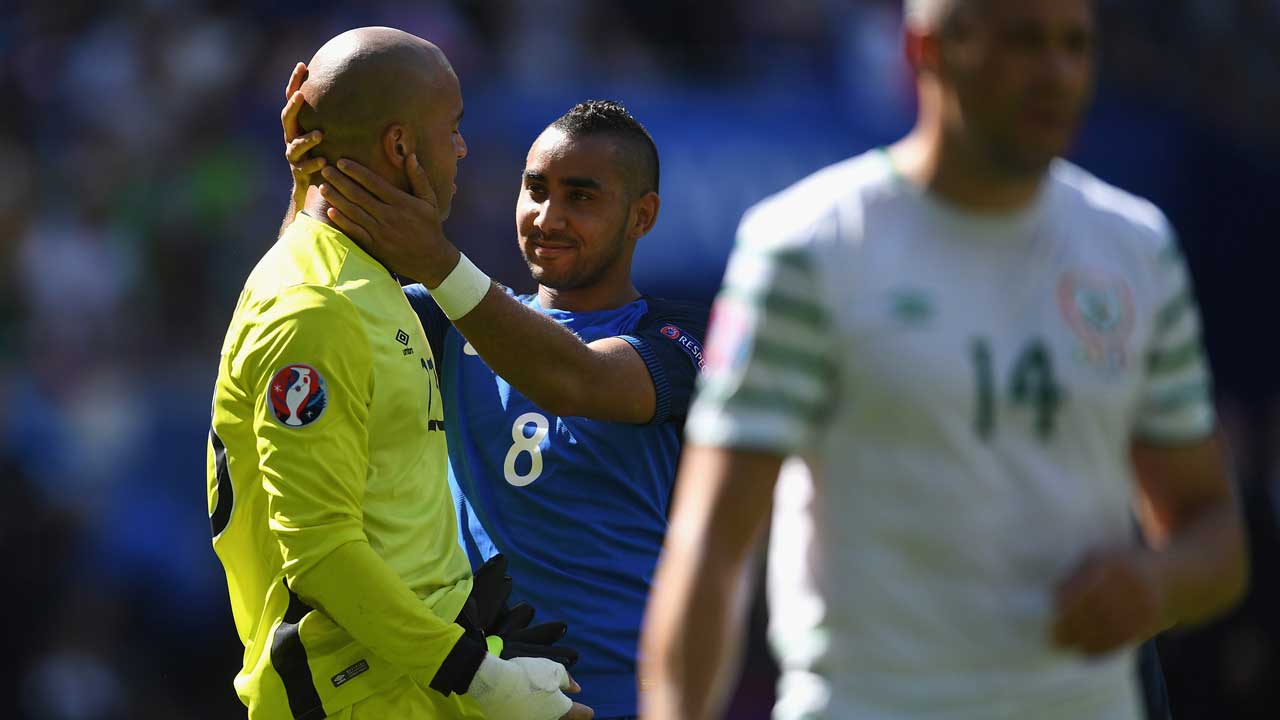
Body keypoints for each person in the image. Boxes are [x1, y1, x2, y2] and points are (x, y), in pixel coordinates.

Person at [638, 1, 1249, 718]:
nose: (1057, 73)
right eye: (1024, 42)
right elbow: (712, 547)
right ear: (926, 49)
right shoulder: (808, 247)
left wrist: (1157, 583)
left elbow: (1212, 531)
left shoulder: (1137, 251)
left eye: (1076, 45)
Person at [280, 93, 707, 719]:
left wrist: (436, 260)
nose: (548, 216)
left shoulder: (681, 338)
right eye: (535, 190)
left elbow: (579, 380)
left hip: (620, 696)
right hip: (483, 695)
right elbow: (310, 303)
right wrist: (314, 194)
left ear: (642, 215)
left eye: (580, 197)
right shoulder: (445, 321)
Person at [207, 27, 590, 720]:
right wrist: (479, 677)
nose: (464, 148)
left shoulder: (354, 274)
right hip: (354, 697)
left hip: (412, 682)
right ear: (401, 148)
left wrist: (484, 646)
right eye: (454, 128)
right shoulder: (317, 307)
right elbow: (321, 554)